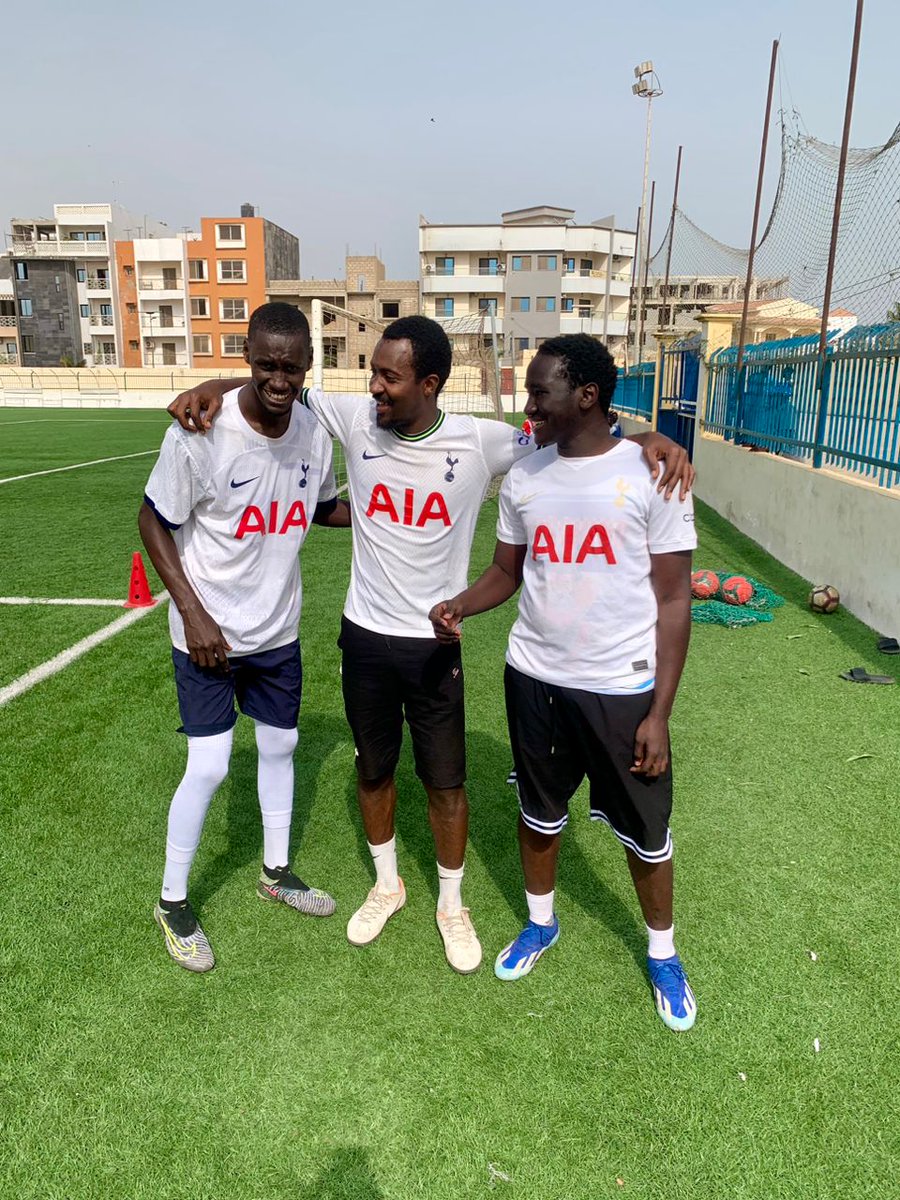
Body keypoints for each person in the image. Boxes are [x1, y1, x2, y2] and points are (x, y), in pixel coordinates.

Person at [167, 316, 693, 975]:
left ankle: (452, 904)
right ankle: (387, 885)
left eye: (389, 377)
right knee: (373, 770)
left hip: (435, 645)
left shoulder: (484, 442)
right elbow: (279, 383)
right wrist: (212, 385)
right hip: (364, 636)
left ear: (430, 383)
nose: (374, 388)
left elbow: (574, 432)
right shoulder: (356, 416)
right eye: (373, 375)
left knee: (446, 782)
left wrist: (644, 437)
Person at [429, 334, 697, 1030]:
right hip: (534, 678)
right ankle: (541, 923)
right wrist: (462, 603)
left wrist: (659, 713)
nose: (528, 406)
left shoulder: (654, 475)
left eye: (539, 392)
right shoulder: (525, 477)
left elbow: (674, 600)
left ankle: (662, 954)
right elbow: (507, 573)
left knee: (645, 831)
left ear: (586, 395)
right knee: (539, 813)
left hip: (621, 688)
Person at [140, 303, 350, 972]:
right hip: (207, 635)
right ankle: (172, 902)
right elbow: (152, 522)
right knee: (209, 765)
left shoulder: (316, 435)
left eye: (291, 366)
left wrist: (394, 508)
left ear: (309, 366)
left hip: (276, 630)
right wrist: (194, 613)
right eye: (265, 364)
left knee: (282, 746)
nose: (278, 378)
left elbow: (323, 509)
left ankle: (276, 871)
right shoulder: (202, 432)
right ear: (248, 359)